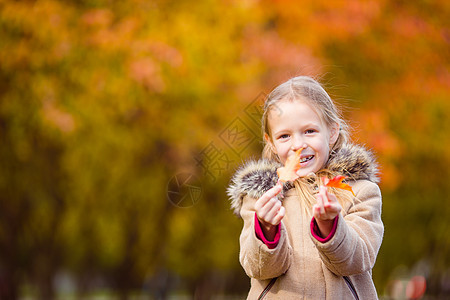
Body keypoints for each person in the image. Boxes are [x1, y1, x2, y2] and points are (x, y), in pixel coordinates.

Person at [227, 76, 384, 299]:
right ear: (270, 142)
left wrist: (330, 227)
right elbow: (258, 268)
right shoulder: (260, 198)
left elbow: (358, 260)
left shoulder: (358, 190)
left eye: (309, 131)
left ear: (331, 132)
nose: (298, 145)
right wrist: (266, 228)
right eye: (284, 136)